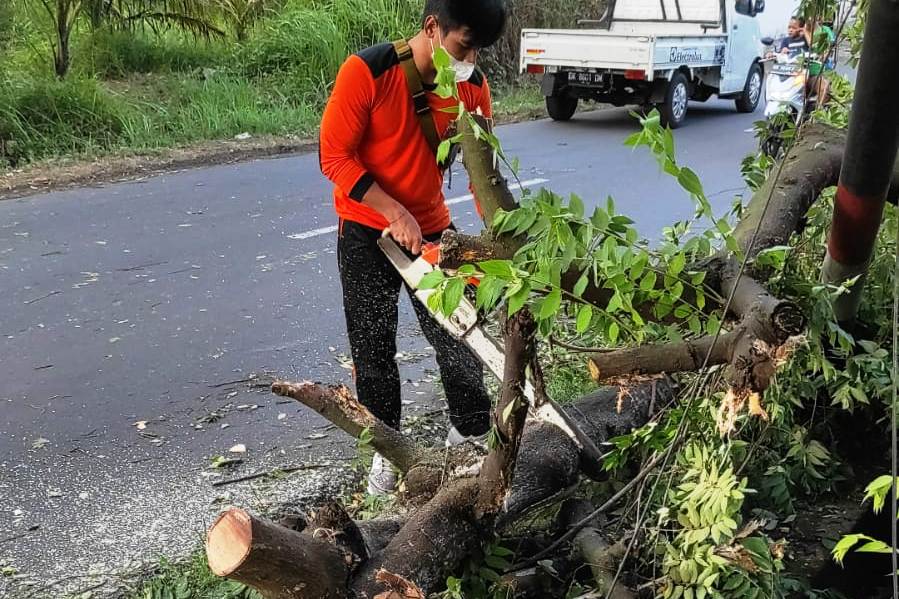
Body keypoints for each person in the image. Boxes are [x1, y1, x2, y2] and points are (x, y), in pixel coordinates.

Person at [319, 0, 508, 495]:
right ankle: (387, 453)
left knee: (459, 334)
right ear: (433, 26)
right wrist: (391, 209)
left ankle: (467, 433)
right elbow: (333, 156)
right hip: (365, 229)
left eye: (481, 49)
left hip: (431, 231)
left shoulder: (473, 88)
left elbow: (480, 172)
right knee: (373, 345)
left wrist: (500, 241)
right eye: (466, 44)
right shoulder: (368, 71)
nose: (473, 59)